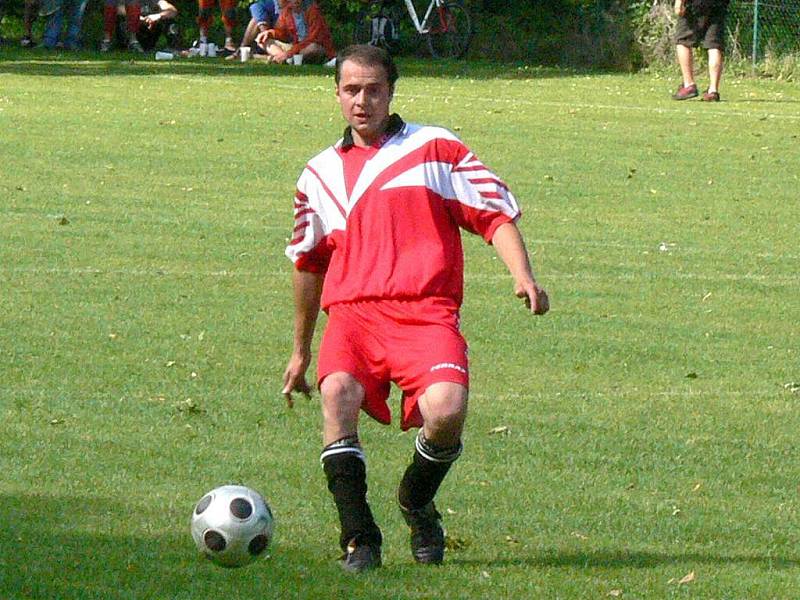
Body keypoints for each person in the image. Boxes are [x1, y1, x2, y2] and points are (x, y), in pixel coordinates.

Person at [281, 44, 550, 573]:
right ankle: (359, 540)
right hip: (354, 316)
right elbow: (307, 266)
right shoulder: (317, 174)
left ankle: (415, 500)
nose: (362, 101)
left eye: (373, 90)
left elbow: (493, 215)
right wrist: (299, 351)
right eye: (351, 90)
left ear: (391, 92)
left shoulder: (434, 148)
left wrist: (523, 275)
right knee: (337, 394)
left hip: (425, 311)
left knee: (446, 410)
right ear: (336, 94)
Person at [672, 0, 731, 101]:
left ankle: (688, 84)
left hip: (695, 4)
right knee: (714, 45)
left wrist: (679, 2)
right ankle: (713, 90)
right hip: (718, 5)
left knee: (683, 40)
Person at [254, 0, 335, 65]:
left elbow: (313, 39)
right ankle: (283, 59)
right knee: (262, 40)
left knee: (313, 48)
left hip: (310, 47)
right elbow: (281, 32)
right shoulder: (286, 12)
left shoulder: (312, 10)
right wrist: (269, 33)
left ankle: (285, 59)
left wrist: (289, 53)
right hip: (295, 48)